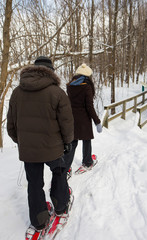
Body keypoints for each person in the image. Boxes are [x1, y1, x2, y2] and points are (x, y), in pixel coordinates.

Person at [7, 56, 74, 231]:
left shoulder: (16, 92)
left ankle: (39, 220)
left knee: (34, 183)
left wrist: (22, 141)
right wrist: (68, 142)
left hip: (29, 150)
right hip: (54, 148)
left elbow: (11, 125)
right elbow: (66, 122)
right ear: (50, 71)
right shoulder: (57, 92)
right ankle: (60, 207)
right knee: (59, 175)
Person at [64, 63, 102, 174]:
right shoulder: (86, 87)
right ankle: (87, 162)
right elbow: (89, 106)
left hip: (72, 118)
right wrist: (97, 121)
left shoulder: (70, 85)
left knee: (73, 142)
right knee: (86, 140)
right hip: (84, 119)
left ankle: (66, 168)